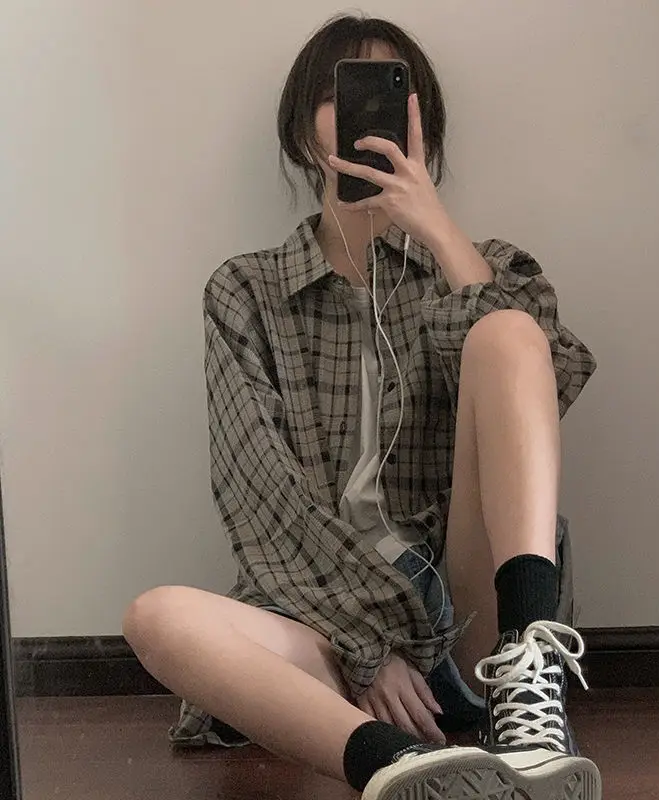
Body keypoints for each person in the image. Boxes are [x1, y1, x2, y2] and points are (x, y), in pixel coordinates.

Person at [123, 12, 601, 800]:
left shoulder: (485, 267)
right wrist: (365, 647)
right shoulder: (245, 292)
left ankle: (528, 681)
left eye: (391, 93)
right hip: (326, 634)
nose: (366, 116)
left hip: (469, 622)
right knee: (157, 617)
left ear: (424, 125)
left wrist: (437, 232)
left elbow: (549, 383)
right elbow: (261, 500)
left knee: (509, 332)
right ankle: (406, 770)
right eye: (340, 95)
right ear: (302, 131)